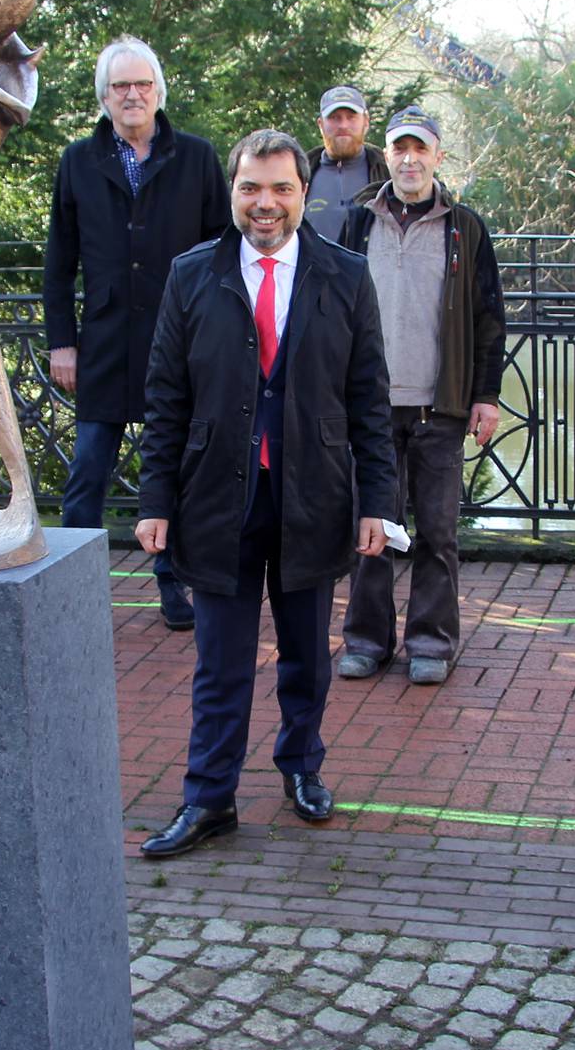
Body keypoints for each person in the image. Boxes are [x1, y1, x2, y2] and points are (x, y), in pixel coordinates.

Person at [134, 129, 397, 857]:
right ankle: (209, 796)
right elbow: (166, 398)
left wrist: (378, 501)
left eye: (281, 188)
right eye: (251, 187)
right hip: (217, 497)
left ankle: (301, 767)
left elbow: (368, 399)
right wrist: (154, 500)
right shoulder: (193, 274)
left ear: (304, 193)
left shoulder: (345, 275)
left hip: (313, 494)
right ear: (233, 191)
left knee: (307, 654)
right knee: (220, 661)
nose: (265, 203)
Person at [44, 36, 228, 629]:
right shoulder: (78, 161)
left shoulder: (196, 158)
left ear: (158, 91)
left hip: (178, 343)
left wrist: (216, 336)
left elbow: (223, 253)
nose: (132, 95)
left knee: (174, 471)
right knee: (87, 473)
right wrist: (62, 342)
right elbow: (59, 261)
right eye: (120, 85)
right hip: (102, 345)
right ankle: (69, 590)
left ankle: (174, 584)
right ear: (104, 96)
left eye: (142, 84)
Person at [333, 106, 505, 685]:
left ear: (437, 157)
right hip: (371, 408)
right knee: (372, 529)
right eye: (400, 149)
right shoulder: (359, 223)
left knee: (436, 532)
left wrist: (485, 395)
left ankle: (431, 641)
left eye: (420, 149)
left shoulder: (465, 228)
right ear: (387, 155)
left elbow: (488, 319)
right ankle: (366, 639)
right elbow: (332, 310)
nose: (410, 160)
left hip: (440, 405)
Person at [303, 85, 388, 240]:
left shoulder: (387, 173)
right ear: (321, 124)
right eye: (334, 117)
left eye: (351, 117)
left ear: (366, 122)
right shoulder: (299, 175)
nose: (343, 125)